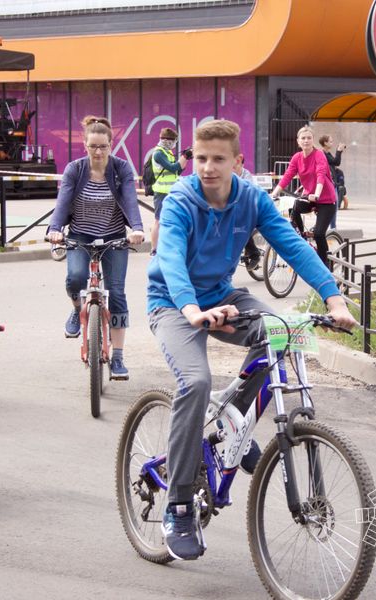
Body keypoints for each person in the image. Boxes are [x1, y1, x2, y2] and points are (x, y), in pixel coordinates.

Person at [147, 119, 356, 561]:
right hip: (172, 302)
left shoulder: (251, 199)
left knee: (283, 334)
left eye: (218, 159)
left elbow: (295, 245)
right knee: (196, 381)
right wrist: (192, 311)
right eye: (200, 158)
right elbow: (169, 259)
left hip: (223, 296)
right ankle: (179, 503)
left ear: (238, 163)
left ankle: (229, 424)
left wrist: (334, 298)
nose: (207, 167)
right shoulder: (181, 200)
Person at [47, 116, 144, 379]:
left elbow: (130, 199)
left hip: (114, 238)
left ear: (111, 145)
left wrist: (136, 228)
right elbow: (63, 200)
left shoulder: (121, 169)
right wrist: (55, 229)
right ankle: (77, 307)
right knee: (75, 279)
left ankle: (119, 357)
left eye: (103, 146)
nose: (98, 152)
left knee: (117, 292)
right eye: (93, 147)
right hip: (80, 236)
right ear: (85, 145)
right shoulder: (75, 170)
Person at [270, 125, 337, 266]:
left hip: (325, 199)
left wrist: (317, 194)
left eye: (309, 138)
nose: (306, 141)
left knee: (319, 234)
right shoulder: (297, 157)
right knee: (294, 207)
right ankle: (302, 240)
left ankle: (324, 267)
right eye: (303, 138)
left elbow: (321, 174)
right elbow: (287, 176)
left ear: (313, 140)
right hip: (309, 197)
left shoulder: (319, 155)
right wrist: (273, 194)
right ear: (298, 141)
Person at [149, 127, 188, 254]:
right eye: (173, 141)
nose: (174, 144)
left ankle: (168, 245)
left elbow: (177, 170)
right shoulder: (159, 153)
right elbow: (172, 168)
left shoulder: (168, 152)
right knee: (158, 220)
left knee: (173, 218)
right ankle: (154, 249)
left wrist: (185, 158)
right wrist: (184, 157)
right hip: (161, 191)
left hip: (172, 191)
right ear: (167, 140)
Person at [234, 154, 262, 270]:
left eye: (236, 164)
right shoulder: (228, 175)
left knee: (242, 229)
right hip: (235, 210)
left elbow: (247, 193)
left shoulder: (246, 176)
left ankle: (255, 254)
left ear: (242, 163)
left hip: (249, 208)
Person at [320, 134, 348, 218]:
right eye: (331, 141)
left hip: (333, 182)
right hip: (327, 183)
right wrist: (338, 151)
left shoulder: (327, 153)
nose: (332, 143)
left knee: (333, 208)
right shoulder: (322, 154)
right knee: (330, 207)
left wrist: (339, 151)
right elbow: (336, 161)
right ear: (325, 143)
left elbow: (336, 162)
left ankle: (332, 227)